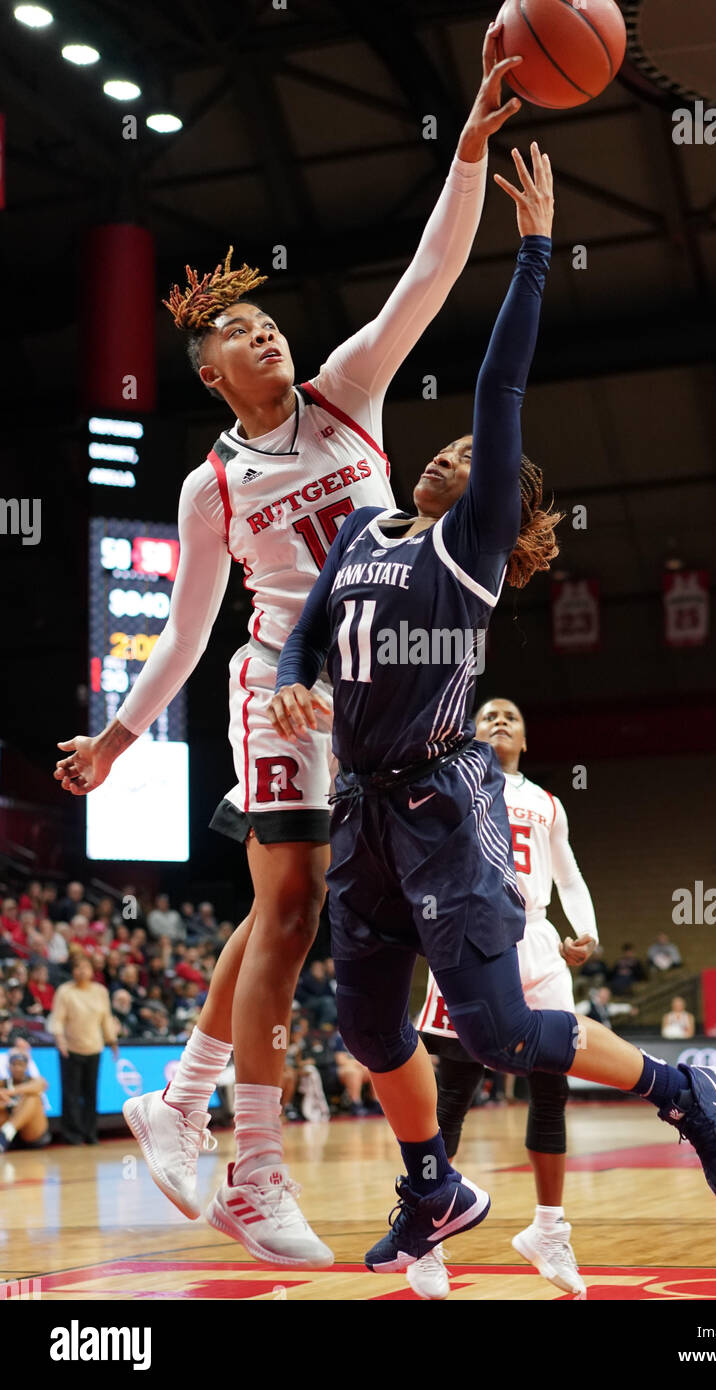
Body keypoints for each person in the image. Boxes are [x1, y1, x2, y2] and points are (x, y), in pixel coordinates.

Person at [53, 24, 525, 1267]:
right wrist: (114, 735)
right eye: (244, 337)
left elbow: (425, 276)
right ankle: (252, 1167)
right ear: (211, 373)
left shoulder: (349, 394)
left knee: (293, 912)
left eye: (273, 328)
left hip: (372, 687)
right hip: (277, 690)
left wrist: (467, 150)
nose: (269, 340)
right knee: (294, 902)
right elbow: (189, 627)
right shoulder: (210, 486)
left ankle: (186, 1098)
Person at [270, 146, 716, 1276]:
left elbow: (495, 391)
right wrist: (297, 672)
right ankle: (433, 1186)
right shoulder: (361, 529)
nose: (447, 452)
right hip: (362, 806)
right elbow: (305, 625)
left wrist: (532, 251)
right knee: (371, 1031)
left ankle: (683, 1084)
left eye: (467, 456)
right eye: (435, 448)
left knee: (489, 1034)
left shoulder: (469, 543)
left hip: (443, 798)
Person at [412, 696, 597, 1298]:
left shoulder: (548, 802)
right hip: (472, 933)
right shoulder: (450, 784)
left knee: (552, 1086)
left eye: (511, 717)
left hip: (538, 940)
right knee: (452, 1095)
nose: (498, 722)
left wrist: (586, 928)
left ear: (526, 739)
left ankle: (549, 1229)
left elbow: (568, 874)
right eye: (488, 714)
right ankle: (426, 1237)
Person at [48, 956, 118, 1145]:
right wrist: (59, 1040)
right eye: (78, 967)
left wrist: (112, 1041)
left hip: (94, 1047)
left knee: (90, 1092)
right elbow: (57, 1019)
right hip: (70, 1048)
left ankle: (90, 1133)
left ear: (92, 971)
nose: (82, 971)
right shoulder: (65, 991)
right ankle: (72, 1134)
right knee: (71, 1093)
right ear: (73, 971)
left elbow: (106, 1018)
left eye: (86, 967)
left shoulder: (100, 991)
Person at [0, 1047, 51, 1152]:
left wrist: (12, 1092)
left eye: (21, 1064)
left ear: (26, 1066)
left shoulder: (35, 1081)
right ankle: (6, 1133)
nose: (17, 1068)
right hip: (10, 1138)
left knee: (32, 1097)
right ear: (8, 1066)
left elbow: (40, 1085)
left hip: (31, 1135)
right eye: (14, 1064)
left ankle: (8, 1131)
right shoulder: (3, 1083)